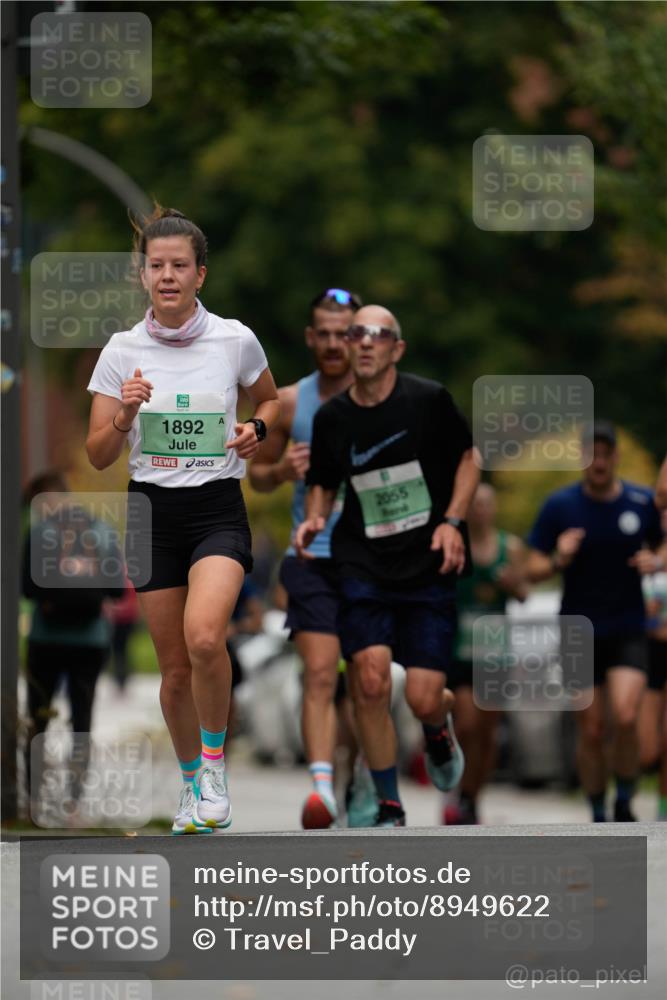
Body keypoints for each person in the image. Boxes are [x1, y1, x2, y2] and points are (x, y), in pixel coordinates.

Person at [86, 206, 280, 835]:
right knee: (173, 671)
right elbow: (97, 456)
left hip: (216, 507)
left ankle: (217, 765)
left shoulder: (233, 339)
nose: (166, 276)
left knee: (204, 638)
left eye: (178, 266)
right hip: (150, 512)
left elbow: (269, 399)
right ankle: (192, 782)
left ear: (201, 273)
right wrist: (125, 414)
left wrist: (257, 429)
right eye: (155, 266)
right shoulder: (122, 351)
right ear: (143, 276)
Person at [295, 304, 479, 827]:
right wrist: (313, 521)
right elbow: (323, 484)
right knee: (370, 682)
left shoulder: (428, 401)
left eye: (379, 335)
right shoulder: (332, 419)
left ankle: (438, 729)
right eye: (357, 333)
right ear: (347, 348)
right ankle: (388, 804)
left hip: (427, 563)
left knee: (422, 697)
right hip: (363, 563)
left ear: (396, 349)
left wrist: (452, 520)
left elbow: (469, 458)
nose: (366, 342)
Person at [249, 287, 373, 828]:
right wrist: (281, 471)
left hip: (375, 560)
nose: (331, 343)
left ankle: (363, 778)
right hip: (314, 556)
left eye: (341, 333)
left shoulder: (384, 399)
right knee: (320, 675)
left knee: (371, 684)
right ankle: (322, 789)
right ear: (309, 338)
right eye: (321, 333)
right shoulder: (294, 401)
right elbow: (256, 473)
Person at [525, 421, 667, 822]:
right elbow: (531, 567)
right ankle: (596, 808)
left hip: (627, 626)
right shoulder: (560, 506)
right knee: (591, 728)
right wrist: (559, 558)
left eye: (606, 454)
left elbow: (664, 543)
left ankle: (624, 799)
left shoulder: (641, 502)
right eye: (592, 454)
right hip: (576, 630)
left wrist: (656, 561)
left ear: (616, 457)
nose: (599, 462)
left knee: (624, 716)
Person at [22, 471, 125, 812]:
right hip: (91, 640)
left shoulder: (38, 534)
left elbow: (27, 587)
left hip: (45, 639)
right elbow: (116, 590)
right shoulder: (102, 531)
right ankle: (74, 804)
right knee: (83, 720)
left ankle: (34, 801)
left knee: (38, 717)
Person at [443, 482, 528, 825]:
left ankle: (472, 797)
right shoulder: (453, 545)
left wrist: (513, 584)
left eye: (486, 504)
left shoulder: (512, 547)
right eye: (474, 503)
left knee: (487, 733)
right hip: (460, 650)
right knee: (465, 725)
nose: (480, 510)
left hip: (495, 653)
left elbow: (524, 593)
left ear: (493, 509)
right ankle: (459, 789)